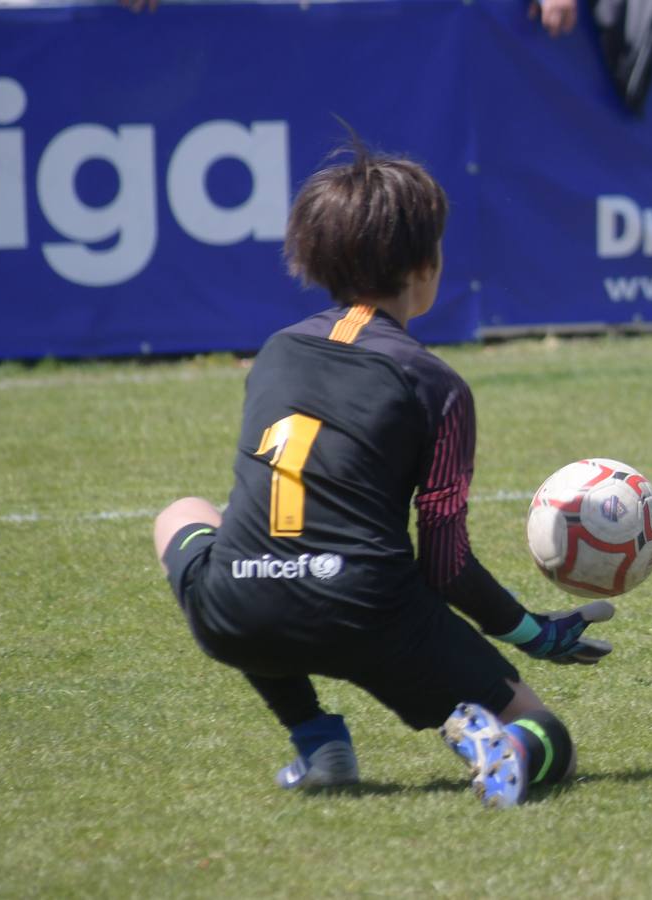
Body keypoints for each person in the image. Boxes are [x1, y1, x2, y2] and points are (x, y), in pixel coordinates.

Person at [152, 139, 612, 808]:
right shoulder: (437, 385)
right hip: (370, 613)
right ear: (426, 265)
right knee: (549, 737)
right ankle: (503, 749)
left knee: (181, 514)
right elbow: (445, 566)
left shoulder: (275, 353)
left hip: (239, 609)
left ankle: (317, 741)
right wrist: (529, 630)